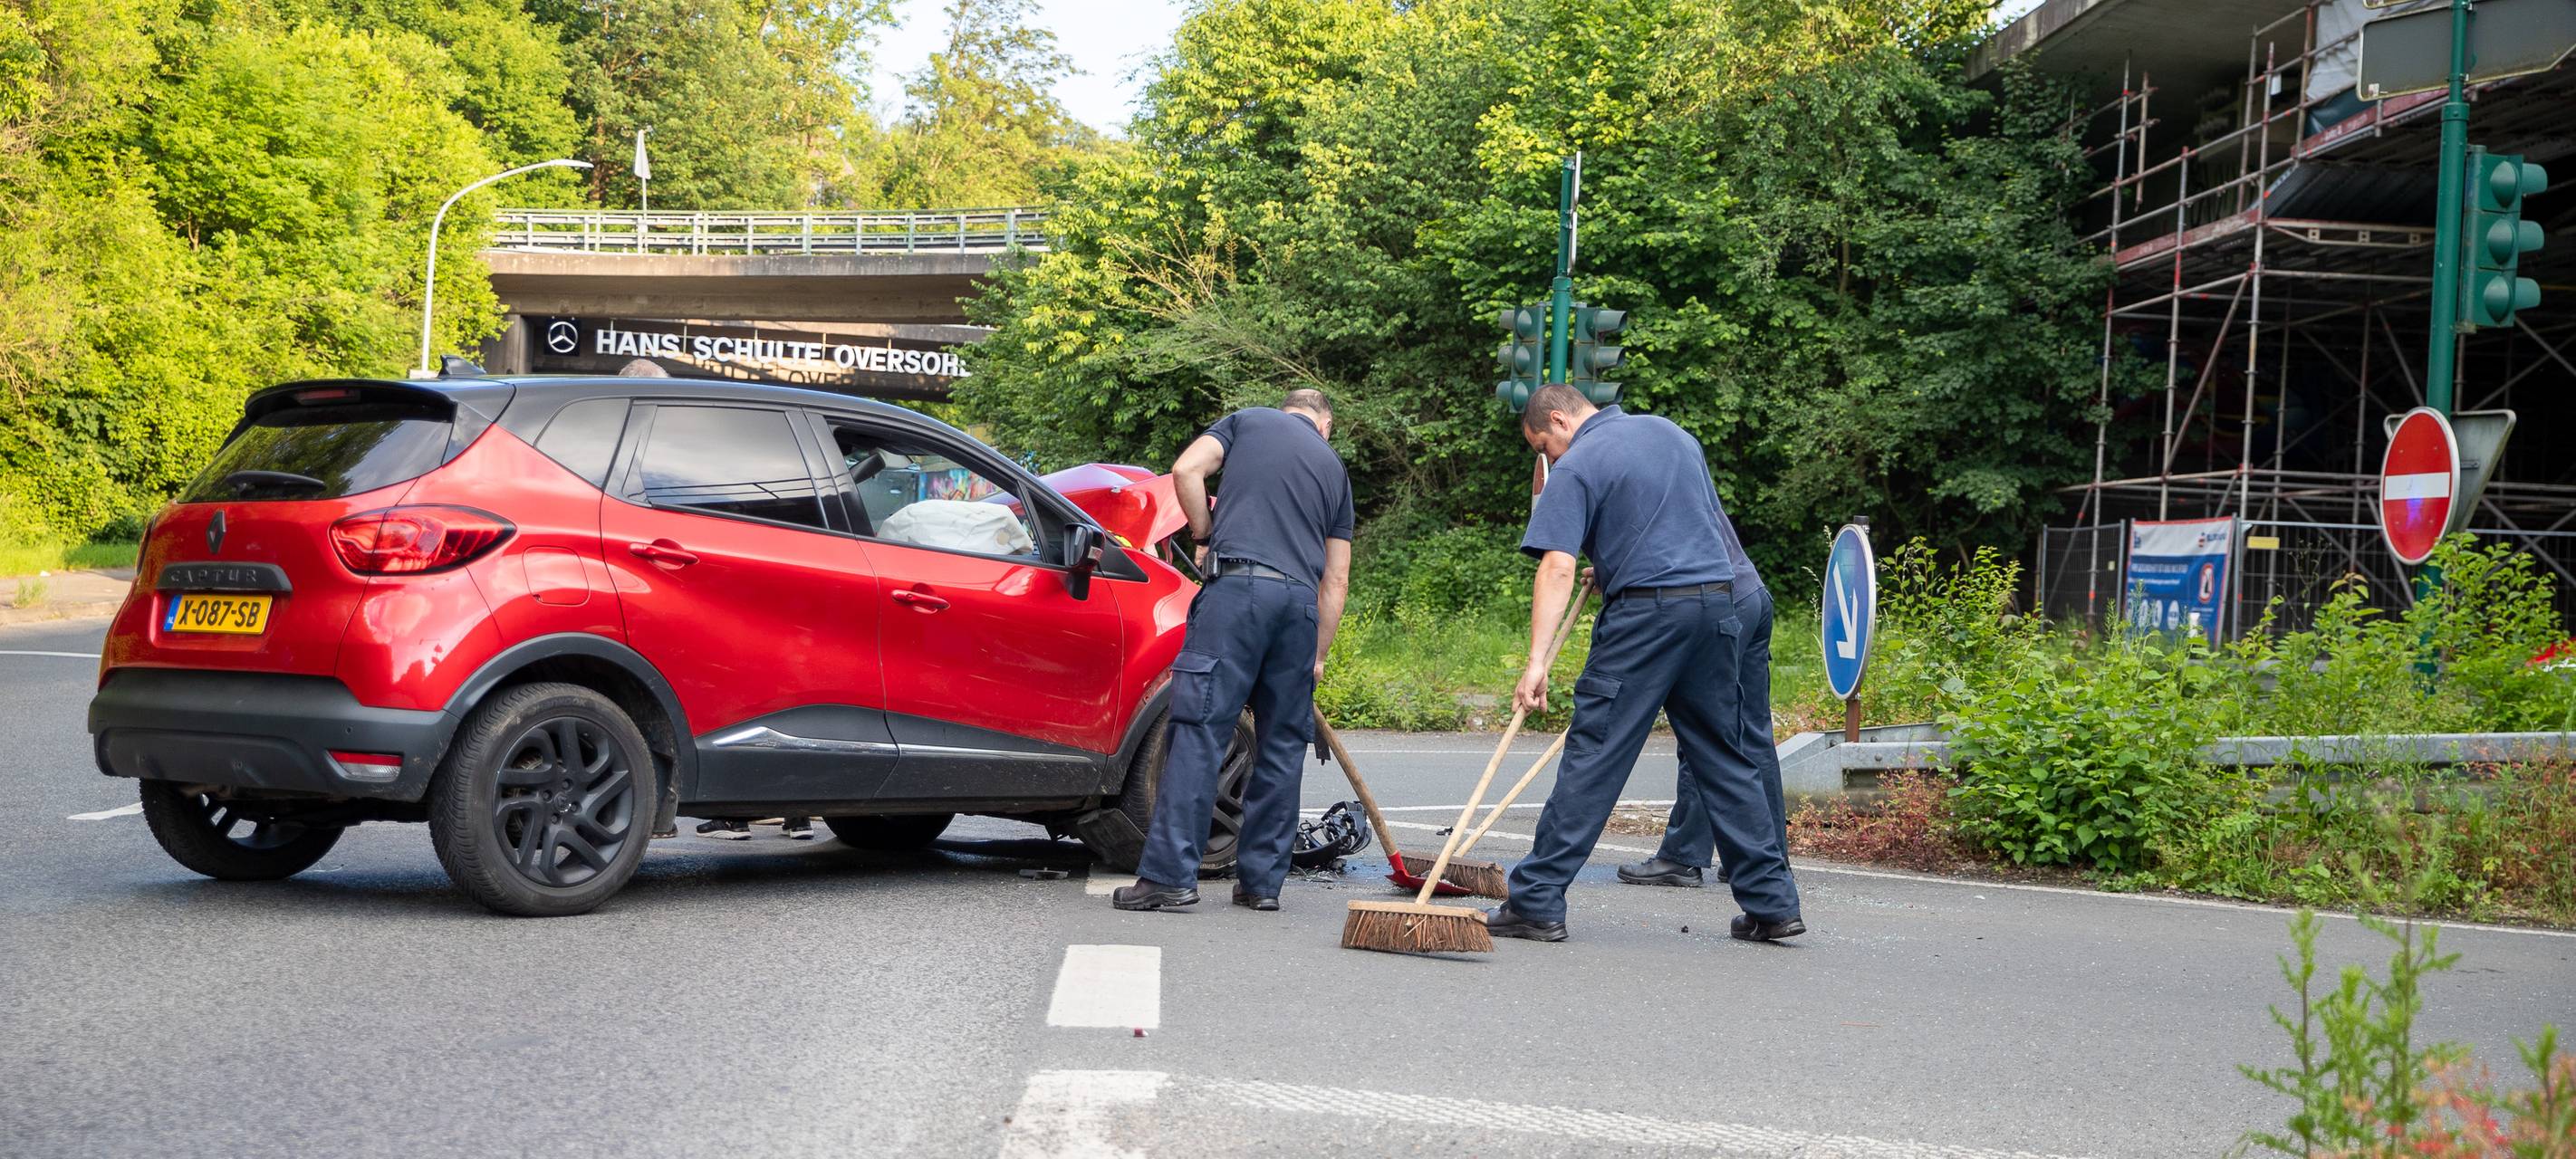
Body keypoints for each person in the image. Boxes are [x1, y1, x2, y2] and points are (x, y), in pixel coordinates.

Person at [1485, 385, 1803, 943]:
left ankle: (1536, 901)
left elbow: (1557, 566)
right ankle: (1773, 906)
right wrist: (1614, 566)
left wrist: (1536, 661)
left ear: (1558, 420)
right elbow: (1689, 525)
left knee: (1597, 751)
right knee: (1725, 756)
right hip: (1719, 607)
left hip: (1646, 621)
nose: (1548, 459)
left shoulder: (1578, 464)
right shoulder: (1671, 434)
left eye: (1544, 447)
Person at [1112, 389, 1353, 914]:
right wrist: (1318, 654)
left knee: (1200, 730)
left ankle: (1170, 877)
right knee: (1283, 747)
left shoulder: (1248, 421)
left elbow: (1185, 471)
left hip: (1238, 592)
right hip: (1298, 609)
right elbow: (1336, 579)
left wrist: (1205, 530)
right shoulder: (1334, 468)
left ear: (1285, 410)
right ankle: (1262, 885)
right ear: (1325, 424)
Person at [1617, 509, 1792, 890]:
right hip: (1752, 594)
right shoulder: (1682, 478)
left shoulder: (1638, 487)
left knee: (1703, 730)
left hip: (1720, 600)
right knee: (1751, 730)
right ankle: (1765, 857)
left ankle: (1683, 856)